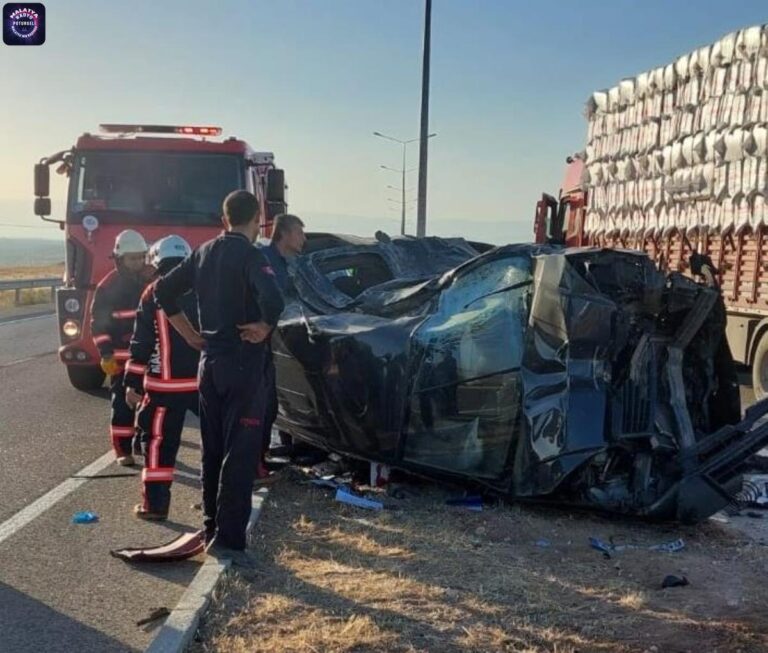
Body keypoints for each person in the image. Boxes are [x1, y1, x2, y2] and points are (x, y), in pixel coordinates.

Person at [155, 190, 284, 566]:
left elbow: (163, 290)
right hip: (242, 363)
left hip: (209, 363)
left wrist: (191, 335)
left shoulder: (203, 252)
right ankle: (228, 541)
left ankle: (211, 526)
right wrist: (264, 325)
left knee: (212, 450)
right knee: (240, 452)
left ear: (223, 218)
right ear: (257, 219)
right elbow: (274, 300)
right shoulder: (251, 255)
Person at [124, 235, 200, 521]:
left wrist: (131, 382)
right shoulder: (203, 287)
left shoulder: (151, 292)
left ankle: (155, 505)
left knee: (157, 444)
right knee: (219, 440)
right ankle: (219, 505)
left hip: (163, 387)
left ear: (156, 261)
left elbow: (141, 342)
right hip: (203, 383)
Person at [91, 229, 149, 466]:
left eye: (140, 257)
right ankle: (122, 450)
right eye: (132, 258)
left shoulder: (148, 281)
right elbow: (98, 324)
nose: (137, 262)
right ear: (120, 258)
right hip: (120, 358)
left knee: (148, 402)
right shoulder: (108, 286)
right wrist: (105, 353)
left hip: (145, 357)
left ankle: (142, 442)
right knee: (122, 405)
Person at [258, 214, 306, 462]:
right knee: (264, 402)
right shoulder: (264, 259)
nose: (303, 238)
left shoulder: (294, 262)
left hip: (284, 340)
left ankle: (284, 446)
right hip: (264, 341)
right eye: (299, 232)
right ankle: (259, 459)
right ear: (284, 234)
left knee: (279, 399)